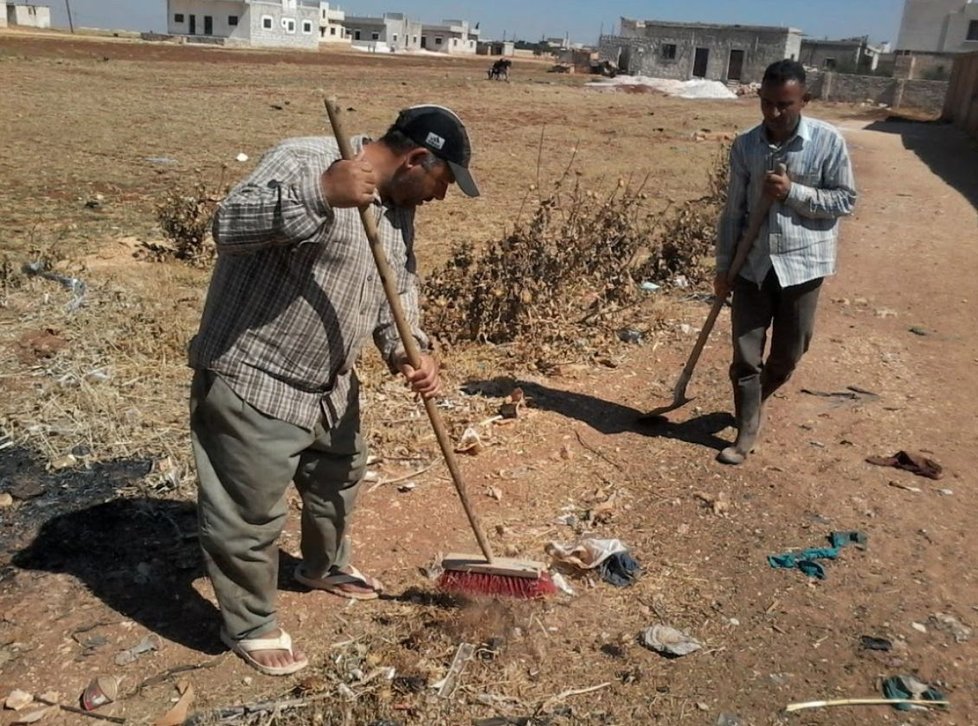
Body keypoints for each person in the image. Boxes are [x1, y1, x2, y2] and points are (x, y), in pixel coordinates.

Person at [188, 105, 479, 676]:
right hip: (257, 374)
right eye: (442, 183)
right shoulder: (307, 159)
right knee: (248, 514)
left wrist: (409, 347)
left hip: (330, 380)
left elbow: (395, 282)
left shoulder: (397, 206)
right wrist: (321, 194)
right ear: (417, 159)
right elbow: (227, 226)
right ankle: (248, 624)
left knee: (338, 473)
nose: (440, 198)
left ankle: (322, 566)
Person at [714, 60, 856, 465]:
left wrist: (793, 193)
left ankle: (755, 401)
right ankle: (746, 429)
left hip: (803, 265)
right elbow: (733, 212)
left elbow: (845, 201)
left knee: (788, 355)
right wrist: (724, 269)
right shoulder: (745, 145)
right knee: (745, 355)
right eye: (767, 103)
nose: (774, 114)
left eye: (785, 105)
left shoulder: (828, 143)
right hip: (752, 265)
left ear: (804, 101)